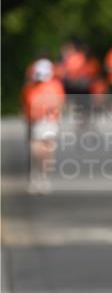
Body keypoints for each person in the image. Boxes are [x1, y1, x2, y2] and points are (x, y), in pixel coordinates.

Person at [21, 59, 65, 194]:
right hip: (34, 122)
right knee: (35, 150)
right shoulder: (29, 88)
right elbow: (25, 105)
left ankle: (44, 177)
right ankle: (34, 176)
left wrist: (57, 117)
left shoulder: (55, 85)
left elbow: (61, 102)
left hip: (49, 121)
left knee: (47, 151)